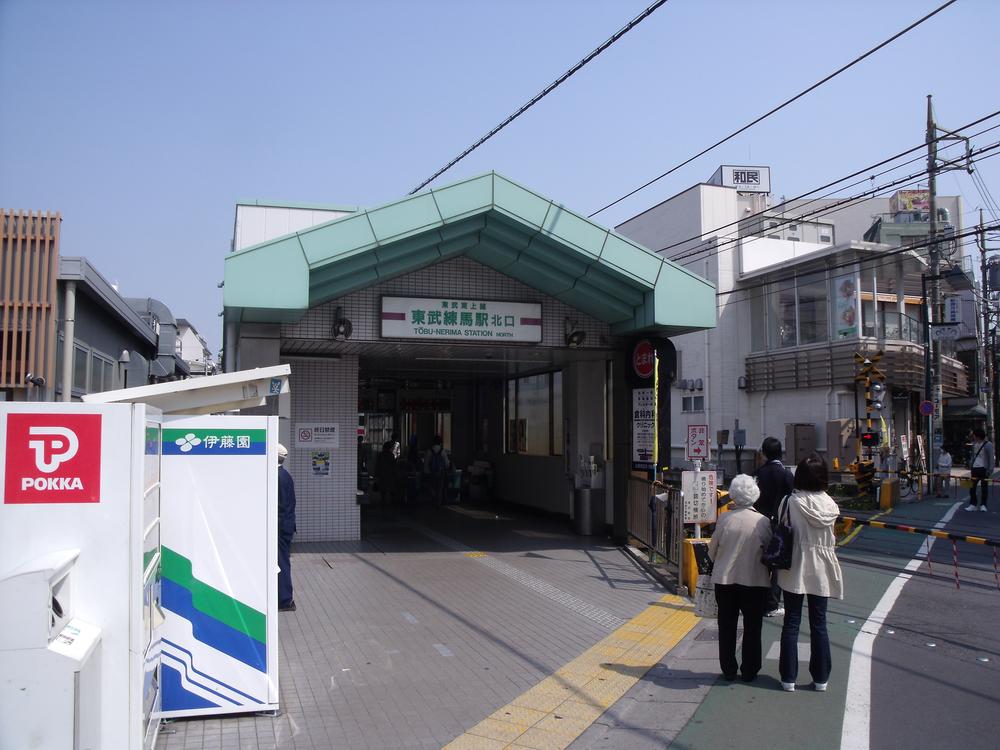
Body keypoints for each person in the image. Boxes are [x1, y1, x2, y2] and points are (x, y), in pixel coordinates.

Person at [777, 452, 843, 692]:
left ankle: (788, 678)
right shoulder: (830, 504)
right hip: (822, 565)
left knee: (791, 621)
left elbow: (782, 528)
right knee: (819, 623)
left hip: (795, 562)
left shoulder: (791, 502)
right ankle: (821, 679)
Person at [707, 474, 772, 682]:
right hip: (754, 581)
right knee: (753, 626)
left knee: (726, 625)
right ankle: (750, 669)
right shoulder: (763, 521)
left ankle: (728, 668)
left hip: (725, 580)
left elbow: (712, 551)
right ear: (755, 495)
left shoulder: (725, 519)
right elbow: (770, 551)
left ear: (733, 495)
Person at [753, 437, 794, 617]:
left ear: (764, 453)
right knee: (776, 564)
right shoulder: (786, 474)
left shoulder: (758, 473)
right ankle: (771, 604)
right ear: (780, 452)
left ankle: (758, 600)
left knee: (759, 561)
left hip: (757, 522)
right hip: (779, 524)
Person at [277, 443, 297, 612]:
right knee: (283, 561)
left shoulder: (277, 477)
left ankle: (285, 600)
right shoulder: (285, 475)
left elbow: (280, 506)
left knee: (282, 563)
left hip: (281, 527)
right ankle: (284, 598)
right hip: (287, 525)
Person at [965, 427, 994, 512]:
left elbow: (991, 458)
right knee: (972, 487)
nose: (973, 437)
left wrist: (990, 470)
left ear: (978, 436)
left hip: (984, 468)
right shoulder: (974, 444)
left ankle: (983, 505)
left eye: (974, 435)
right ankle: (973, 504)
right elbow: (973, 456)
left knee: (984, 487)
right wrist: (971, 465)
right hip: (975, 468)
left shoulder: (988, 444)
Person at [424, 435, 451, 506]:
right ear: (440, 442)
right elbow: (447, 464)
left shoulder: (429, 451)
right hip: (440, 472)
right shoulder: (442, 451)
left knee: (430, 486)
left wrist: (427, 472)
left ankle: (433, 497)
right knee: (440, 488)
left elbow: (426, 464)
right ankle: (438, 503)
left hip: (431, 473)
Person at [375, 440, 402, 504]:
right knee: (391, 489)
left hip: (382, 474)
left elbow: (377, 465)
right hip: (390, 474)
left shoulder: (380, 455)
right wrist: (396, 474)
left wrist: (376, 474)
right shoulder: (391, 455)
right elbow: (394, 465)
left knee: (383, 490)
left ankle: (383, 501)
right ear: (389, 447)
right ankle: (392, 502)